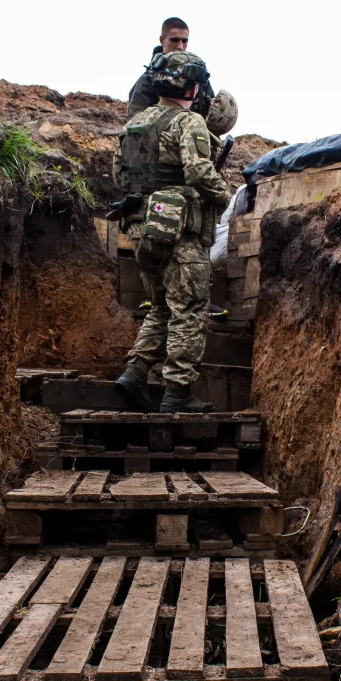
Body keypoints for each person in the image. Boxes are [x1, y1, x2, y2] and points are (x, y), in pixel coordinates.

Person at [114, 51, 230, 414]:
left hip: (142, 232)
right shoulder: (187, 121)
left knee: (161, 306)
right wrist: (223, 195)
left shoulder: (133, 124)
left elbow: (120, 177)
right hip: (180, 235)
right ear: (193, 86)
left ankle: (134, 374)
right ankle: (177, 392)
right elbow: (198, 172)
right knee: (190, 310)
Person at [127, 17, 215, 119]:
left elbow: (213, 115)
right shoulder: (148, 80)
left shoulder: (198, 78)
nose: (180, 46)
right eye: (175, 40)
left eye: (184, 41)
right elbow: (136, 122)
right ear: (162, 40)